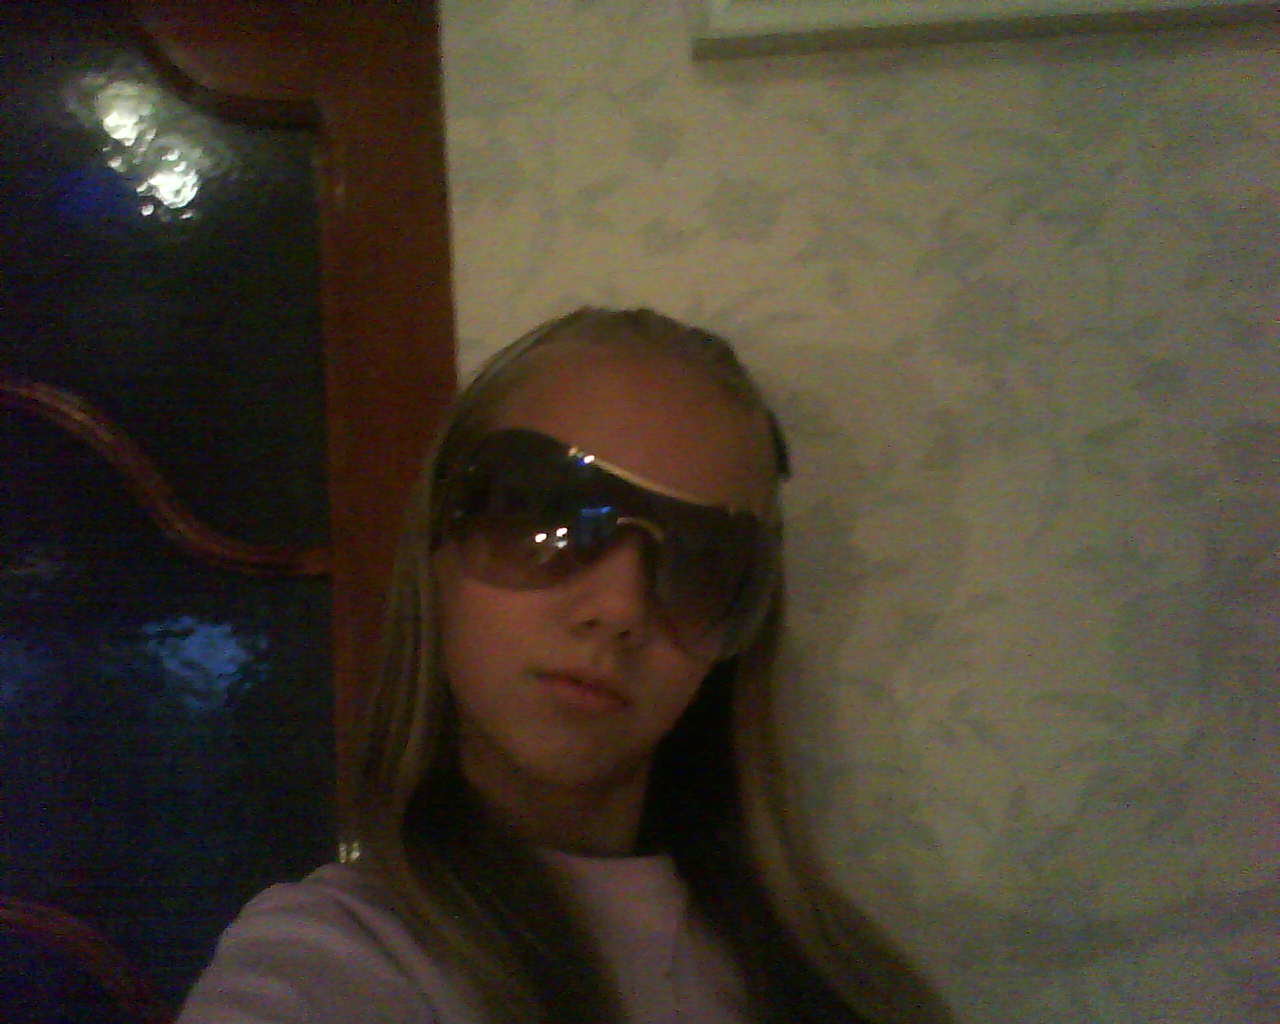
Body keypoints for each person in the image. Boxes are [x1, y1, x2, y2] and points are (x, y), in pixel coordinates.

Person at [177, 308, 953, 1024]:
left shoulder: (849, 981)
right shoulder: (339, 959)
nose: (619, 608)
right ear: (436, 540)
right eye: (545, 512)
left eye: (702, 562)